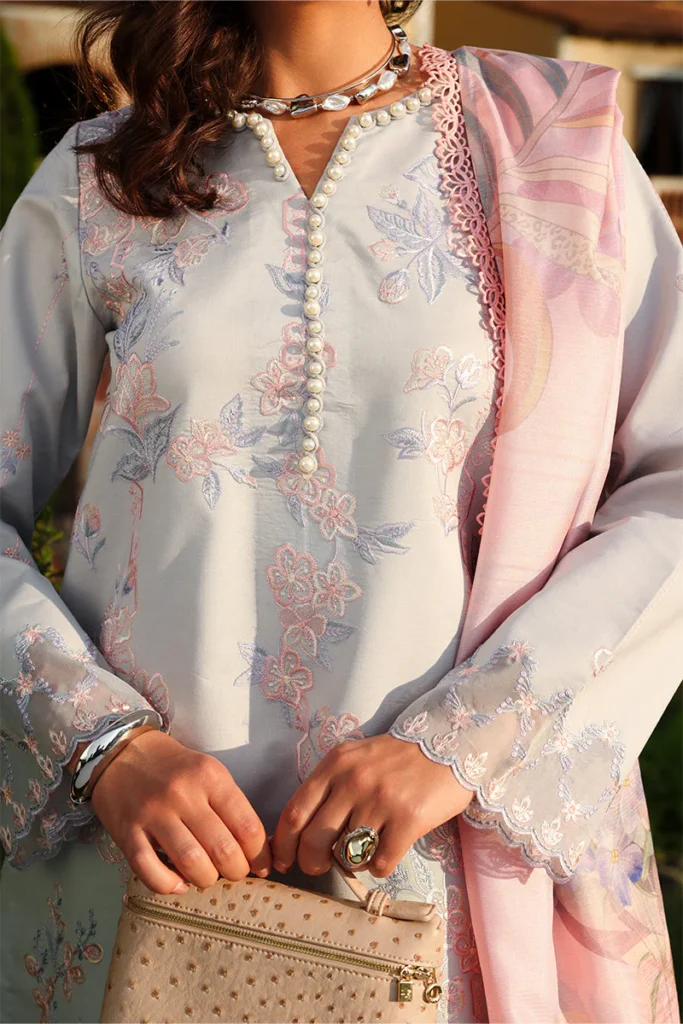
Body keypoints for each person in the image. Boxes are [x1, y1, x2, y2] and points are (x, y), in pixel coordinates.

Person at [1, 2, 681, 1021]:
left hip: (445, 872)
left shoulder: (549, 147)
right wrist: (100, 744)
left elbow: (670, 485)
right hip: (158, 879)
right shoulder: (103, 176)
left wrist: (465, 744)